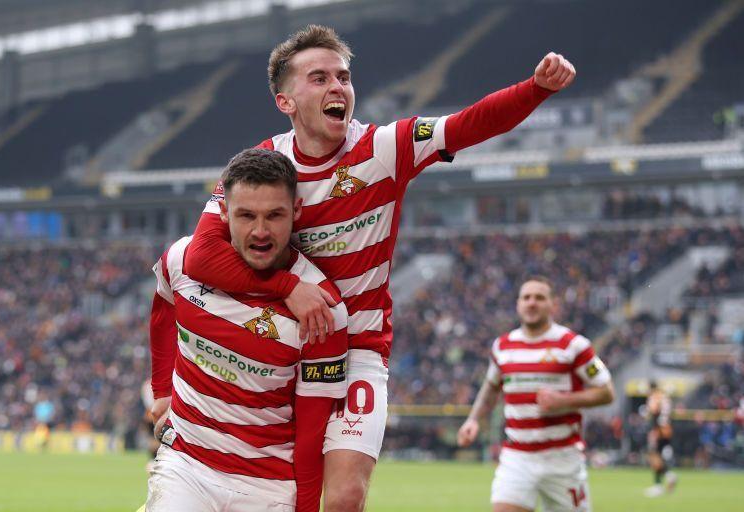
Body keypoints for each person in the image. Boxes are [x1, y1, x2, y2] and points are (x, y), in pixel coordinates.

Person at [152, 24, 577, 511]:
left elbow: (468, 124)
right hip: (286, 349)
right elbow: (202, 255)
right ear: (285, 102)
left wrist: (537, 88)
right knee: (280, 488)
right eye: (319, 78)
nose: (337, 87)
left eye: (344, 76)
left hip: (357, 350)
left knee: (346, 496)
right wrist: (291, 287)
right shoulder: (261, 168)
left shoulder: (384, 148)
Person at [146, 148, 348, 511]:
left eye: (274, 215)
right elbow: (163, 308)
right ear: (223, 213)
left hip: (268, 486)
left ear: (296, 212)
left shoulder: (322, 310)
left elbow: (311, 432)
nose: (260, 231)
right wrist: (162, 391)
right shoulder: (181, 260)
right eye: (246, 215)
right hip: (187, 466)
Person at [457, 277, 614, 512]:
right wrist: (473, 419)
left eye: (540, 298)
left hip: (562, 459)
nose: (532, 303)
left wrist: (565, 400)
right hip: (517, 456)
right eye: (526, 297)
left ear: (553, 305)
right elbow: (491, 387)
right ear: (518, 304)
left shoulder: (574, 345)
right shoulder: (503, 346)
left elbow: (606, 392)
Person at [643, 380, 677, 497]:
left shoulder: (654, 397)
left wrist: (646, 413)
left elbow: (653, 411)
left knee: (654, 456)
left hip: (659, 430)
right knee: (658, 456)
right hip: (667, 430)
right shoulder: (664, 397)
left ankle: (660, 484)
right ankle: (667, 476)